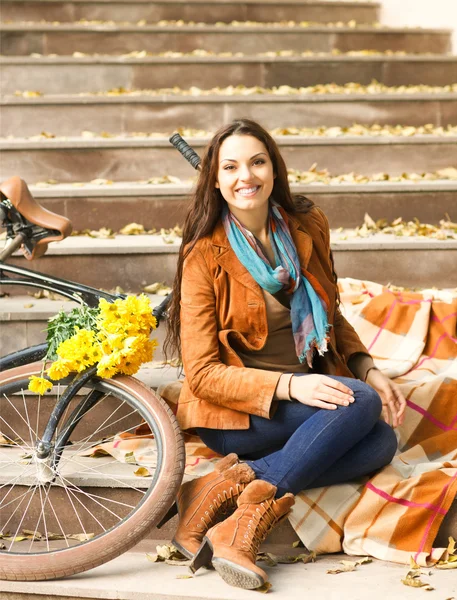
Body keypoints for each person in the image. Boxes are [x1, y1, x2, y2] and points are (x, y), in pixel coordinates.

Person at [164, 118, 406, 590]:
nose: (245, 176)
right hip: (235, 411)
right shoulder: (203, 256)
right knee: (361, 405)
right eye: (230, 167)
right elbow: (202, 374)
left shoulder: (306, 225)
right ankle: (244, 526)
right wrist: (292, 385)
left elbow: (330, 313)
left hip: (304, 398)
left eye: (257, 162)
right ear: (215, 180)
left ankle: (223, 489)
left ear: (274, 169)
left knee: (381, 444)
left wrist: (367, 367)